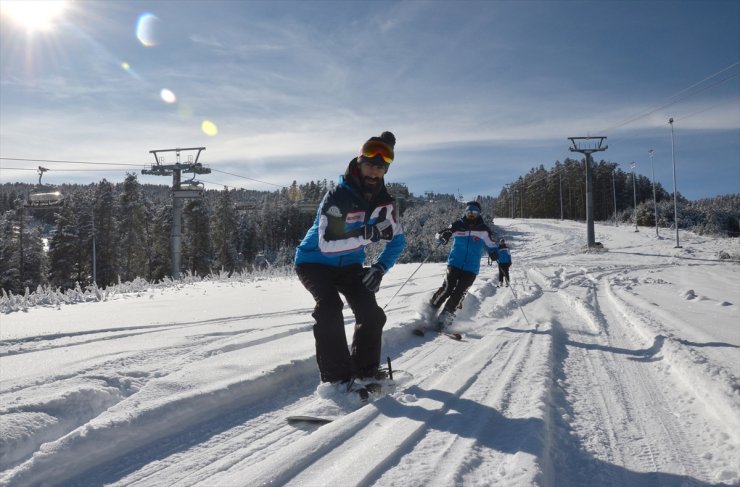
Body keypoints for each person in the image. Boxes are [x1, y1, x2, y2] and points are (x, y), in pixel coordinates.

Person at [294, 131, 406, 389]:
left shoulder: (384, 206)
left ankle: (365, 373)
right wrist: (367, 234)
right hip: (314, 262)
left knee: (372, 315)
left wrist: (379, 267)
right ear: (359, 162)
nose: (374, 171)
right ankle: (337, 382)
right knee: (329, 308)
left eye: (380, 167)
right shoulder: (337, 196)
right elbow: (326, 243)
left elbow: (397, 240)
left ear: (386, 170)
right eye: (369, 164)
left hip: (350, 267)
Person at [430, 201, 497, 329]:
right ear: (465, 213)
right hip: (454, 263)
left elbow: (492, 245)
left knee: (459, 293)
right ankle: (429, 311)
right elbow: (438, 235)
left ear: (478, 214)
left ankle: (444, 319)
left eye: (474, 213)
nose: (471, 215)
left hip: (471, 269)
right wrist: (444, 235)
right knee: (447, 289)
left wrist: (494, 253)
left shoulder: (483, 229)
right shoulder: (457, 225)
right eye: (469, 213)